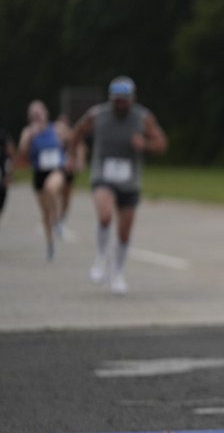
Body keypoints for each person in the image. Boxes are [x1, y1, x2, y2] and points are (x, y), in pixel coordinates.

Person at [69, 76, 168, 295]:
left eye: (124, 99)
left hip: (129, 180)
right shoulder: (97, 114)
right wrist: (71, 156)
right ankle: (101, 257)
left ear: (132, 99)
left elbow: (161, 143)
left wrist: (145, 144)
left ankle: (118, 272)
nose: (120, 103)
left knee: (124, 232)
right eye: (117, 99)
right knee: (105, 216)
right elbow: (77, 131)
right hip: (103, 175)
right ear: (111, 98)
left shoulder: (143, 118)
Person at [18, 100, 68, 261]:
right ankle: (50, 244)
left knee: (51, 187)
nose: (37, 116)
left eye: (39, 113)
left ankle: (58, 219)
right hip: (39, 172)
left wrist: (66, 146)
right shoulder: (28, 132)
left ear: (46, 114)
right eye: (34, 114)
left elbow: (73, 139)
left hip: (56, 169)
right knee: (45, 214)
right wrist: (29, 138)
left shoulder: (57, 128)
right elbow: (22, 154)